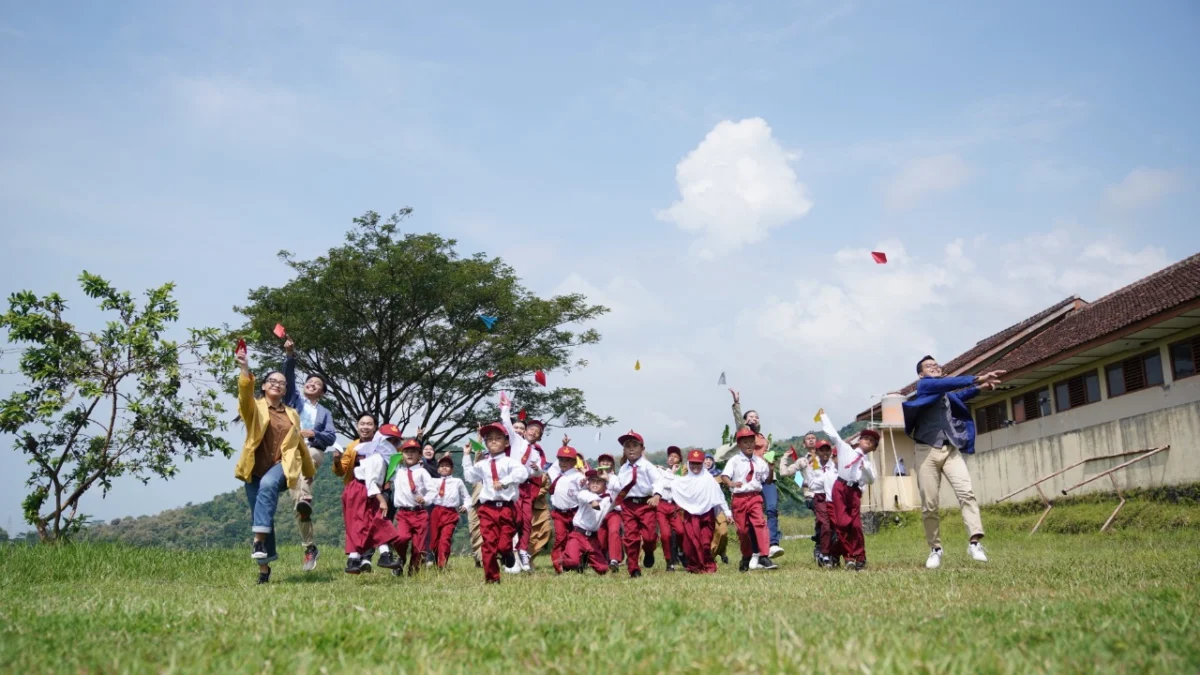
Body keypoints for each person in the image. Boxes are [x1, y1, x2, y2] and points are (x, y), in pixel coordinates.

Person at [904, 356, 1003, 569]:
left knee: (966, 493)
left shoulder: (945, 393)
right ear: (921, 374)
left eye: (937, 365)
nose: (935, 367)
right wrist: (977, 378)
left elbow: (960, 394)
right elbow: (947, 384)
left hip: (950, 450)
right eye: (929, 366)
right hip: (926, 450)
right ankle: (935, 549)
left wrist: (980, 388)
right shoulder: (925, 385)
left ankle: (974, 543)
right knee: (930, 504)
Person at [233, 347, 315, 585]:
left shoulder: (292, 414)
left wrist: (308, 472)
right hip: (253, 469)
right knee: (261, 515)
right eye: (272, 381)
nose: (278, 384)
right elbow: (243, 394)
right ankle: (264, 569)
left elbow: (299, 443)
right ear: (264, 386)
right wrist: (244, 368)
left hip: (281, 465)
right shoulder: (254, 408)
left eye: (282, 383)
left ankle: (257, 542)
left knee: (269, 485)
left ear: (286, 390)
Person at [282, 338, 336, 572]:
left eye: (317, 384)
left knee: (310, 455)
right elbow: (289, 379)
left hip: (312, 450)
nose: (312, 384)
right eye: (310, 382)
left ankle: (305, 497)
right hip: (290, 452)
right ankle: (310, 547)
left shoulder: (324, 412)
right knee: (297, 506)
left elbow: (330, 437)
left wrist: (313, 432)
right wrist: (290, 356)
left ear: (322, 392)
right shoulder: (294, 400)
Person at [462, 422, 529, 584]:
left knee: (504, 544)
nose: (493, 441)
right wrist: (466, 456)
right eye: (489, 438)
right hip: (487, 508)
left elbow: (522, 473)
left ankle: (507, 553)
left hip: (506, 509)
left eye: (498, 438)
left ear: (506, 442)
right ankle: (492, 578)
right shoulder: (482, 464)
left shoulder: (509, 462)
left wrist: (505, 481)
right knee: (488, 544)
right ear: (485, 443)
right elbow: (470, 477)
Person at [340, 425, 405, 574]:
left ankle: (368, 557)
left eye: (396, 441)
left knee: (375, 521)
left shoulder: (384, 458)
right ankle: (360, 557)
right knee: (361, 523)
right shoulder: (376, 458)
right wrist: (382, 500)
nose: (393, 444)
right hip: (360, 490)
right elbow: (370, 481)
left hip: (369, 491)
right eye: (390, 440)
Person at [729, 389, 784, 558]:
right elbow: (739, 422)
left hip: (767, 478)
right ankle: (755, 551)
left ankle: (773, 543)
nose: (754, 418)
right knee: (752, 519)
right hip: (751, 482)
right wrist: (737, 403)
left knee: (772, 509)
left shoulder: (764, 439)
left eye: (756, 417)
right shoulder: (745, 434)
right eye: (750, 417)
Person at [821, 411, 877, 571]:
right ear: (859, 440)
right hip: (840, 487)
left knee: (856, 526)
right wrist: (824, 417)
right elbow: (833, 435)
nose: (868, 441)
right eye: (866, 438)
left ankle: (859, 557)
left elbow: (871, 480)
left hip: (854, 490)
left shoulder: (867, 463)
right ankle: (845, 554)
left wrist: (865, 470)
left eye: (872, 441)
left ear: (873, 448)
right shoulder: (845, 449)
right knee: (841, 523)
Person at [718, 426, 778, 572]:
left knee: (760, 524)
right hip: (739, 498)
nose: (749, 445)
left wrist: (771, 470)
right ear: (739, 444)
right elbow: (725, 476)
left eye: (752, 441)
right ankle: (746, 556)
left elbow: (768, 481)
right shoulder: (735, 460)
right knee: (743, 531)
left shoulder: (760, 461)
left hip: (755, 497)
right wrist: (731, 483)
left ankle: (764, 555)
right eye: (745, 442)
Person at [499, 400, 547, 573]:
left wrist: (537, 470)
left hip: (526, 487)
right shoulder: (515, 441)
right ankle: (508, 554)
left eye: (537, 432)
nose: (533, 432)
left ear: (539, 437)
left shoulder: (536, 453)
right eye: (531, 429)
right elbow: (506, 423)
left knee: (526, 520)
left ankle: (523, 549)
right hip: (513, 485)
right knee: (514, 519)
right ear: (525, 431)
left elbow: (537, 474)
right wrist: (505, 408)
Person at [672, 450, 732, 574]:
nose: (695, 466)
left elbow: (719, 497)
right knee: (691, 544)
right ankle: (695, 566)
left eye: (698, 463)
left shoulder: (709, 480)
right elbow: (667, 482)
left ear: (702, 464)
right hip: (690, 516)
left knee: (705, 544)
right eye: (692, 463)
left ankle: (708, 565)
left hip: (706, 515)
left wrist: (728, 512)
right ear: (688, 464)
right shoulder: (682, 481)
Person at [615, 430, 660, 578]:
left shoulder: (647, 466)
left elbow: (659, 481)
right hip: (629, 505)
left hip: (646, 504)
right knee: (630, 538)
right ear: (624, 450)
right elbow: (618, 486)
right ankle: (633, 568)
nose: (631, 449)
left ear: (642, 449)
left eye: (635, 445)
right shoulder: (623, 469)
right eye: (627, 446)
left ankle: (649, 550)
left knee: (649, 537)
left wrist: (657, 495)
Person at [391, 439, 433, 577]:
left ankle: (413, 572)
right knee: (401, 538)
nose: (409, 455)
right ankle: (401, 558)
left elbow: (433, 490)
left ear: (419, 456)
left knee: (419, 547)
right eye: (406, 452)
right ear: (402, 454)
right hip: (403, 513)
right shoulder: (398, 471)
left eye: (413, 452)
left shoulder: (422, 472)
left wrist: (425, 499)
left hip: (419, 513)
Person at [560, 470, 616, 575]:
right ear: (588, 483)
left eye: (599, 481)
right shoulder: (584, 493)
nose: (595, 484)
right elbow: (584, 496)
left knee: (603, 569)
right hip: (578, 534)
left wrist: (610, 479)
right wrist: (593, 501)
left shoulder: (608, 499)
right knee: (572, 562)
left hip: (592, 538)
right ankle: (564, 562)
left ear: (605, 484)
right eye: (592, 481)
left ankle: (584, 561)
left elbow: (620, 493)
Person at [793, 440, 835, 567]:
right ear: (816, 452)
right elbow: (799, 479)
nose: (825, 453)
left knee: (833, 526)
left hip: (833, 498)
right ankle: (824, 553)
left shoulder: (834, 465)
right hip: (817, 497)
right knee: (824, 524)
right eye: (821, 450)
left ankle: (830, 553)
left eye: (827, 450)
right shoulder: (808, 464)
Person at [545, 439, 584, 574]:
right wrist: (564, 446)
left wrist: (584, 481)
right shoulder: (555, 472)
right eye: (561, 460)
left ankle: (575, 561)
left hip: (574, 513)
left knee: (574, 538)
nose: (563, 463)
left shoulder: (577, 476)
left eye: (567, 460)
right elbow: (555, 465)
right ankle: (559, 566)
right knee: (560, 538)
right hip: (559, 513)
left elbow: (582, 482)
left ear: (574, 462)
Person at [427, 454, 470, 570]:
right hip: (436, 511)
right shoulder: (433, 481)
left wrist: (466, 506)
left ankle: (442, 564)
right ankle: (436, 560)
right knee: (434, 540)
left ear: (452, 469)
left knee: (445, 539)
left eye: (447, 466)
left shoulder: (457, 482)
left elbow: (466, 497)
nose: (444, 468)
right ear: (438, 469)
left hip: (450, 513)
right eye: (441, 466)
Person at [654, 446, 687, 571]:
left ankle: (682, 552)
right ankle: (669, 562)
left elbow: (678, 486)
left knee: (680, 531)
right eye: (670, 456)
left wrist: (674, 474)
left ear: (679, 461)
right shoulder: (660, 471)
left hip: (674, 506)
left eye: (675, 456)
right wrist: (671, 473)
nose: (672, 458)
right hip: (662, 505)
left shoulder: (682, 474)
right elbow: (663, 484)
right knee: (665, 535)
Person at [595, 453, 624, 571]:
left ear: (612, 465)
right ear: (599, 464)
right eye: (603, 461)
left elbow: (621, 490)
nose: (605, 463)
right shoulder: (594, 477)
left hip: (614, 511)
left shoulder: (616, 478)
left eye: (608, 461)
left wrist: (608, 479)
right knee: (600, 538)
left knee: (614, 532)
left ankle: (614, 560)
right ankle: (602, 559)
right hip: (599, 513)